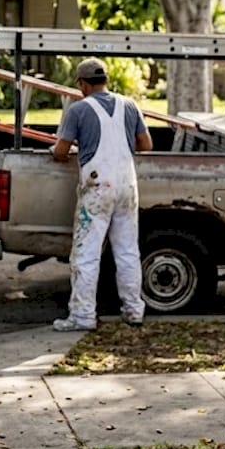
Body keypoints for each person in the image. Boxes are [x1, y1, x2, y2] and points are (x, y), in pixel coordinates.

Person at [50, 58, 153, 331]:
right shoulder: (129, 105)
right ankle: (133, 311)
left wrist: (60, 150)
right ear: (105, 80)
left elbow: (61, 151)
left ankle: (82, 316)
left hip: (97, 189)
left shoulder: (79, 109)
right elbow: (146, 144)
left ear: (82, 83)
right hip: (127, 186)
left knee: (86, 253)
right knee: (128, 251)